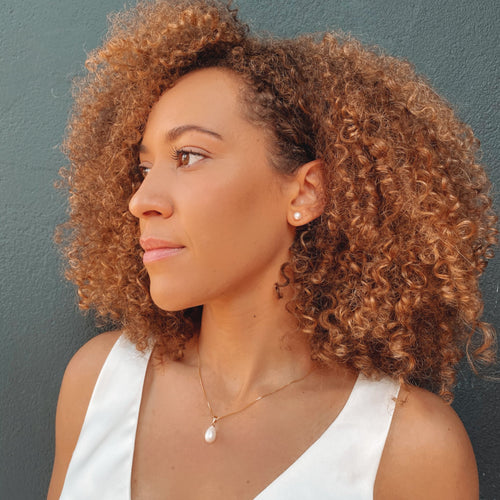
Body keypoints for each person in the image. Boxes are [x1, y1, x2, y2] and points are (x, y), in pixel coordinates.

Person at [47, 0, 497, 498]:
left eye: (189, 156)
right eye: (145, 168)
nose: (140, 201)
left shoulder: (411, 448)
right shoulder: (97, 384)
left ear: (305, 193)